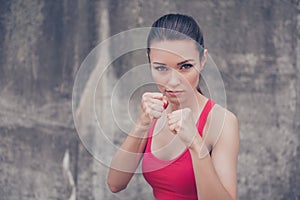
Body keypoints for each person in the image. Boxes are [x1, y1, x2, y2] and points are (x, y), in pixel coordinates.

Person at [107, 13, 239, 200]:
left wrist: (195, 142)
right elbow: (115, 183)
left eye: (185, 67)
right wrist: (141, 123)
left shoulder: (222, 121)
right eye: (161, 68)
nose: (173, 81)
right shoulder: (154, 111)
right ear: (150, 62)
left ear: (202, 60)